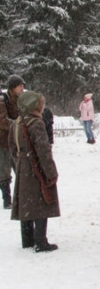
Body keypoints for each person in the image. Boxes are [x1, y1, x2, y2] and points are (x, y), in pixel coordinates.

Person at [9, 91, 60, 252]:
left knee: (26, 204)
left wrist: (20, 164)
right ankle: (41, 241)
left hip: (23, 166)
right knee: (41, 201)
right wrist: (51, 173)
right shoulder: (36, 123)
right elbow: (43, 150)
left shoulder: (16, 123)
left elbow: (12, 148)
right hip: (36, 166)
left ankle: (27, 239)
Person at [0, 74, 26, 209]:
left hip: (16, 141)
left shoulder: (20, 100)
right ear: (13, 87)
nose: (22, 88)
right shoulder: (3, 100)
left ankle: (20, 198)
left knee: (20, 169)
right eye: (20, 86)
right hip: (3, 142)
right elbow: (2, 121)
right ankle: (7, 199)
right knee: (4, 171)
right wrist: (18, 124)